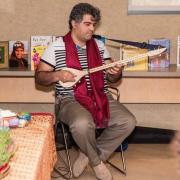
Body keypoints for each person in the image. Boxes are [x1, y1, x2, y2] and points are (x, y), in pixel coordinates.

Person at [35, 3, 136, 180]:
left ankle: (89, 155)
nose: (92, 28)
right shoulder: (56, 47)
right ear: (74, 23)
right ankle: (97, 163)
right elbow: (40, 78)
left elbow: (112, 80)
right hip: (69, 99)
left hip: (100, 96)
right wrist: (57, 75)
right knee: (82, 123)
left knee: (127, 121)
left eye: (94, 24)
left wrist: (116, 73)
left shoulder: (99, 46)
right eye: (88, 24)